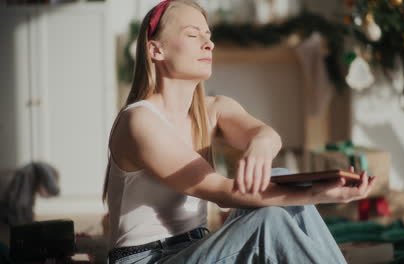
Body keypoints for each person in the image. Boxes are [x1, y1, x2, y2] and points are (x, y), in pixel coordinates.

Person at [103, 0, 375, 263]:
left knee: (280, 176)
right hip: (148, 259)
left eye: (208, 36)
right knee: (268, 222)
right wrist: (320, 194)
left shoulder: (212, 109)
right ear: (156, 50)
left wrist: (259, 145)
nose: (208, 44)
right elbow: (221, 192)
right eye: (193, 35)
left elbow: (268, 135)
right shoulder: (139, 121)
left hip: (196, 246)